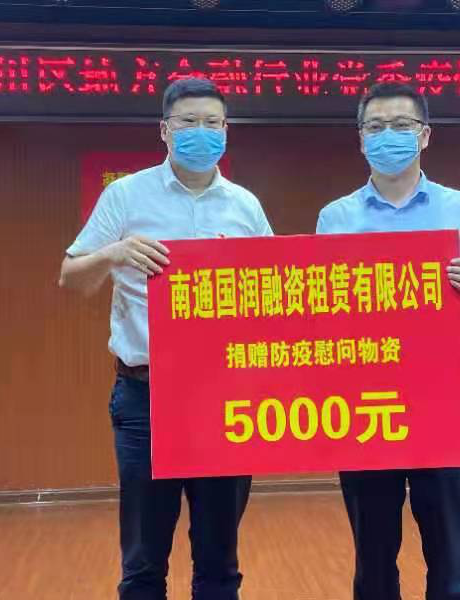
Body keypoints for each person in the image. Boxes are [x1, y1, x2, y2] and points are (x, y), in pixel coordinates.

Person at [59, 78, 273, 600]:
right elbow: (72, 278)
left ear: (226, 130)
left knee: (219, 560)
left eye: (212, 123)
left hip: (225, 398)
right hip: (145, 397)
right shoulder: (125, 195)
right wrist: (114, 254)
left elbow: (273, 293)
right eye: (188, 122)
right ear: (164, 129)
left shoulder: (245, 205)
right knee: (143, 560)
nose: (202, 132)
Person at [316, 82, 460, 600]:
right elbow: (318, 306)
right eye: (376, 126)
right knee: (373, 547)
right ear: (361, 138)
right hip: (363, 394)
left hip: (440, 391)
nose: (389, 136)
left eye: (402, 126)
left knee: (449, 545)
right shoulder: (335, 217)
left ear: (425, 135)